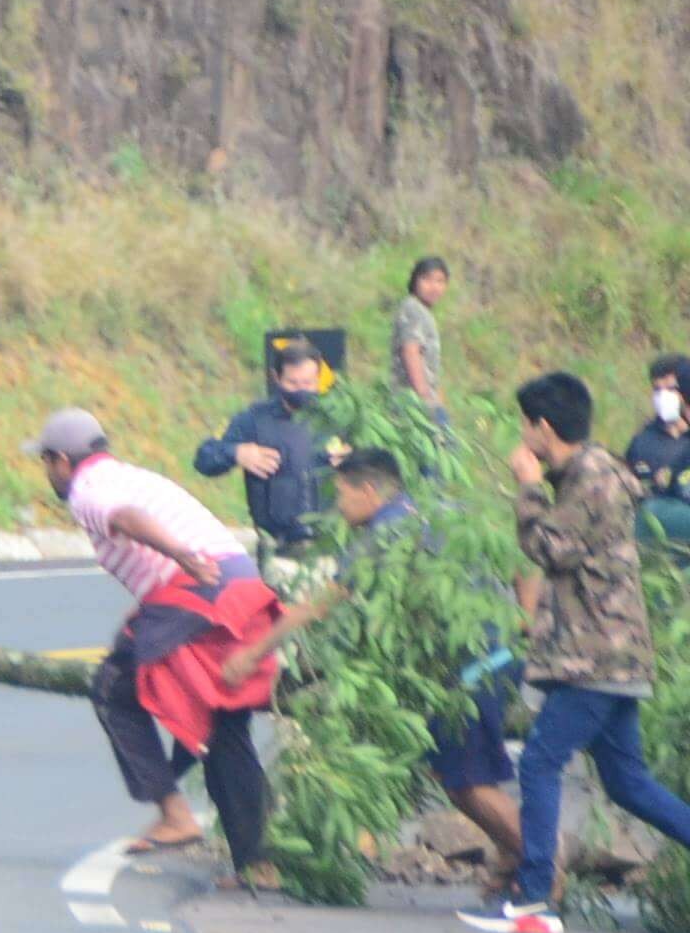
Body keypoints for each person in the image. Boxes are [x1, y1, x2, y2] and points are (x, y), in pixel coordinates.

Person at [219, 450, 526, 886]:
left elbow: (320, 605)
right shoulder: (441, 511)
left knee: (473, 782)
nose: (338, 506)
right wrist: (524, 620)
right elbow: (519, 553)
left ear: (369, 491)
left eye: (342, 494)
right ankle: (517, 860)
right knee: (452, 778)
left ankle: (542, 868)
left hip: (474, 668)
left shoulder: (385, 534)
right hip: (486, 660)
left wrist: (253, 653)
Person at [463, 373, 690, 933]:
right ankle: (534, 894)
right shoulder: (588, 474)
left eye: (525, 425)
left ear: (543, 428)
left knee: (540, 762)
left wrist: (528, 486)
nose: (521, 436)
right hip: (603, 654)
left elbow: (550, 548)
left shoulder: (591, 479)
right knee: (627, 783)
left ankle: (535, 898)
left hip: (598, 656)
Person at [33, 407, 282, 876]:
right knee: (223, 722)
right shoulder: (132, 476)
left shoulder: (88, 490)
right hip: (240, 584)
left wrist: (180, 555)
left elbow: (125, 519)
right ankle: (259, 864)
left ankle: (174, 814)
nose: (49, 475)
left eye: (47, 464)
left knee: (114, 689)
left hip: (196, 588)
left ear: (61, 460)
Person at [192, 338, 337, 554]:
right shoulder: (253, 419)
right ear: (276, 378)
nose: (301, 390)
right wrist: (236, 453)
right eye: (293, 383)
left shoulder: (336, 419)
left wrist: (352, 460)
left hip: (329, 546)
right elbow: (204, 457)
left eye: (308, 383)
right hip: (276, 546)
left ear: (318, 379)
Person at [626, 355, 690, 557]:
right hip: (656, 545)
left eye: (671, 389)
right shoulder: (642, 442)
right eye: (657, 390)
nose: (664, 397)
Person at [391, 257, 448, 425]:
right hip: (413, 403)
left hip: (427, 400)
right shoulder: (412, 309)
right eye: (427, 279)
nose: (434, 287)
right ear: (415, 281)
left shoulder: (423, 312)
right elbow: (411, 351)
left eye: (440, 281)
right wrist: (423, 396)